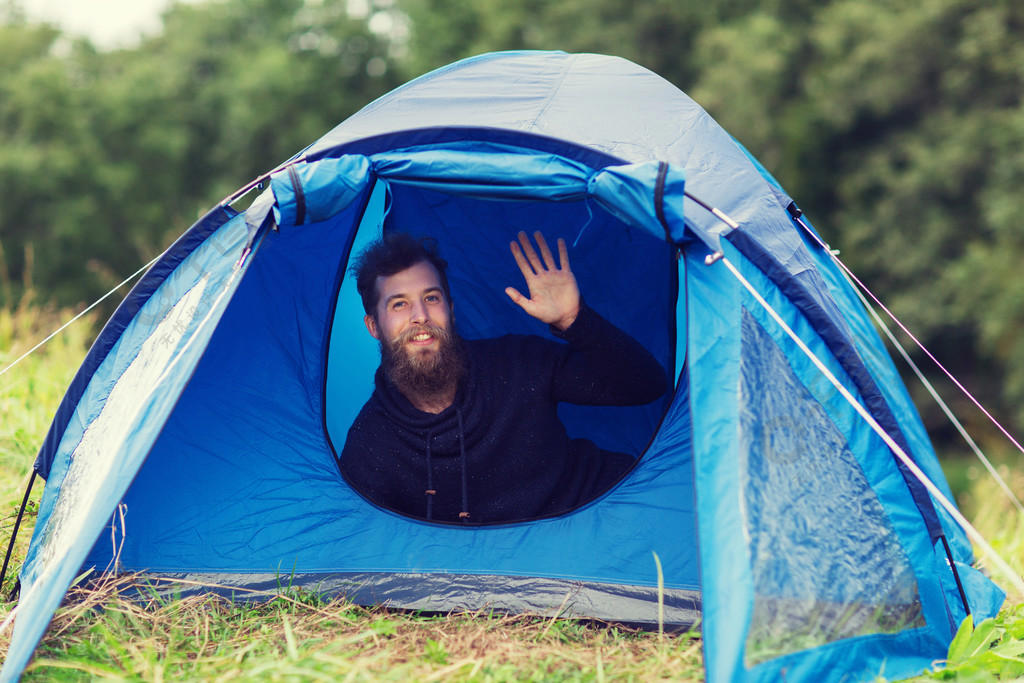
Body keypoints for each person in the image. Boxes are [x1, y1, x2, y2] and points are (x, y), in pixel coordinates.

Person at [339, 230, 668, 523]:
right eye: (399, 304)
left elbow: (645, 385)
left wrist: (574, 319)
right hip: (516, 576)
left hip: (608, 514)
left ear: (451, 311)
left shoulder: (517, 362)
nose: (420, 316)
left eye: (431, 298)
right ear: (373, 327)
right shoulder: (371, 446)